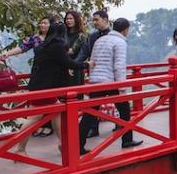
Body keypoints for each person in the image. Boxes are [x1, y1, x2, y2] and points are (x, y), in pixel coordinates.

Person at [17, 22, 88, 153]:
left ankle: (63, 144)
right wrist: (86, 65)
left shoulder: (45, 45)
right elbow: (68, 63)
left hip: (39, 85)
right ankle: (20, 149)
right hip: (44, 87)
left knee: (56, 112)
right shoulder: (57, 46)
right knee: (34, 118)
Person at [78, 18, 142, 155]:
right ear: (125, 30)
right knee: (124, 110)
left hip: (96, 80)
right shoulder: (120, 42)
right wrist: (122, 88)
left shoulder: (100, 40)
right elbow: (119, 66)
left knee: (89, 113)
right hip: (111, 82)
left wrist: (93, 79)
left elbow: (92, 61)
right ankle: (127, 140)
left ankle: (78, 145)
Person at [75, 9, 112, 138]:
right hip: (96, 74)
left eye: (97, 20)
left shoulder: (113, 36)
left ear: (105, 20)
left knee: (119, 101)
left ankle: (122, 126)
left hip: (111, 74)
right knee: (93, 103)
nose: (94, 22)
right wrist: (74, 65)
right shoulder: (92, 36)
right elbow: (84, 52)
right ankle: (92, 128)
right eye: (93, 20)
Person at [64, 11, 87, 87]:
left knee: (74, 90)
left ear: (76, 20)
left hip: (75, 66)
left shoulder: (81, 36)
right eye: (67, 19)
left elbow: (72, 51)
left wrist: (57, 52)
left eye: (71, 19)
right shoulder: (63, 34)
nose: (68, 21)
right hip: (63, 66)